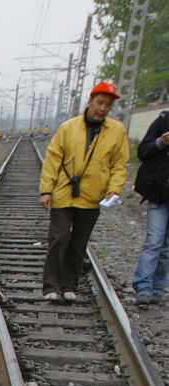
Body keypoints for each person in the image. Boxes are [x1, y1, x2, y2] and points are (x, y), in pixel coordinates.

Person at [38, 80, 129, 301]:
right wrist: (46, 189)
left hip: (91, 196)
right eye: (99, 102)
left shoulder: (116, 131)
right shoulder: (68, 128)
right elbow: (53, 158)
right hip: (63, 193)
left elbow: (119, 164)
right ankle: (51, 286)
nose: (102, 108)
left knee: (78, 244)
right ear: (90, 101)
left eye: (108, 105)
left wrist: (114, 188)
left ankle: (70, 286)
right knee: (59, 238)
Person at [131, 108, 169, 305]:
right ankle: (143, 287)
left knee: (166, 246)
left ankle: (158, 288)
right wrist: (160, 143)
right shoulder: (162, 121)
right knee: (154, 241)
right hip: (159, 194)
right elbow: (143, 152)